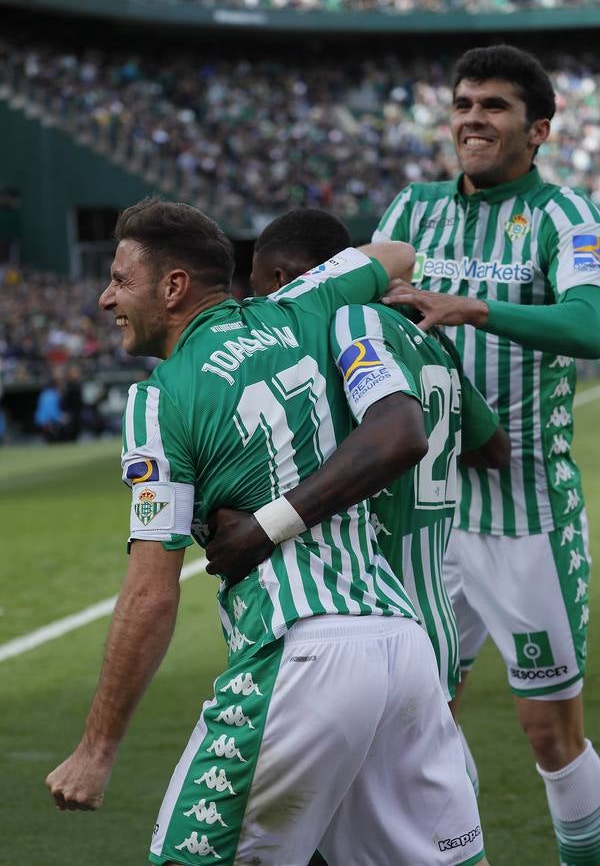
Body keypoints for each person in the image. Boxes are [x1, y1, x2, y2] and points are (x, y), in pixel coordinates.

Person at [45, 198, 488, 866]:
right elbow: (397, 254)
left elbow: (150, 593)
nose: (106, 298)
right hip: (403, 648)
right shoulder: (301, 306)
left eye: (119, 279)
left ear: (174, 288)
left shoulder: (158, 399)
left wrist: (96, 749)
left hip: (301, 650)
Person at [375, 44, 600, 864]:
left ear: (539, 128)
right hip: (430, 518)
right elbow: (363, 295)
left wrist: (477, 308)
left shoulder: (563, 218)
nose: (474, 118)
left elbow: (591, 326)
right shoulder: (413, 209)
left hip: (527, 520)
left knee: (549, 733)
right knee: (414, 717)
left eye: (496, 106)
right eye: (464, 103)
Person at [214, 207, 510, 710]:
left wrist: (266, 525)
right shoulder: (426, 335)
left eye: (261, 286)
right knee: (433, 776)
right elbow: (493, 449)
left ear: (285, 280)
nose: (258, 303)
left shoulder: (350, 325)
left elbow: (397, 438)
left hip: (373, 618)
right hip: (436, 616)